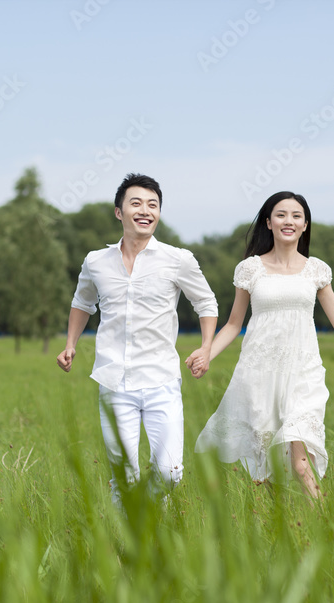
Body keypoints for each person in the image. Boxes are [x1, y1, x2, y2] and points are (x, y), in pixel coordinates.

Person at [188, 191, 334, 500]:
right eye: (281, 215)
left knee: (298, 462)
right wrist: (207, 353)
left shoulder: (316, 270)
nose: (289, 221)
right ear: (268, 223)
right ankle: (278, 532)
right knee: (266, 464)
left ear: (305, 224)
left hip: (303, 372)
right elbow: (233, 325)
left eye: (296, 216)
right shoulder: (250, 269)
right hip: (260, 373)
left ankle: (325, 527)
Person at [57, 173, 219, 508]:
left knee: (171, 472)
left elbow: (206, 302)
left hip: (161, 380)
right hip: (113, 381)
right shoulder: (95, 262)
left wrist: (205, 347)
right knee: (123, 478)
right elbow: (82, 303)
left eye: (153, 205)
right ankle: (132, 551)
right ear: (119, 212)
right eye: (136, 203)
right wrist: (71, 343)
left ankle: (142, 513)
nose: (145, 210)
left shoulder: (178, 259)